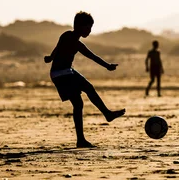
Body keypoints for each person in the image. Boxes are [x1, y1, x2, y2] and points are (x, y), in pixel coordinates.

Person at [44, 11, 125, 148]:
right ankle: (105, 116)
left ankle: (84, 137)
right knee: (83, 96)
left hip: (67, 72)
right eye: (88, 27)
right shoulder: (68, 36)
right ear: (79, 26)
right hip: (60, 74)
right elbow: (58, 48)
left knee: (83, 97)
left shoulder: (77, 43)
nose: (90, 30)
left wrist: (107, 66)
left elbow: (93, 57)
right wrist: (51, 58)